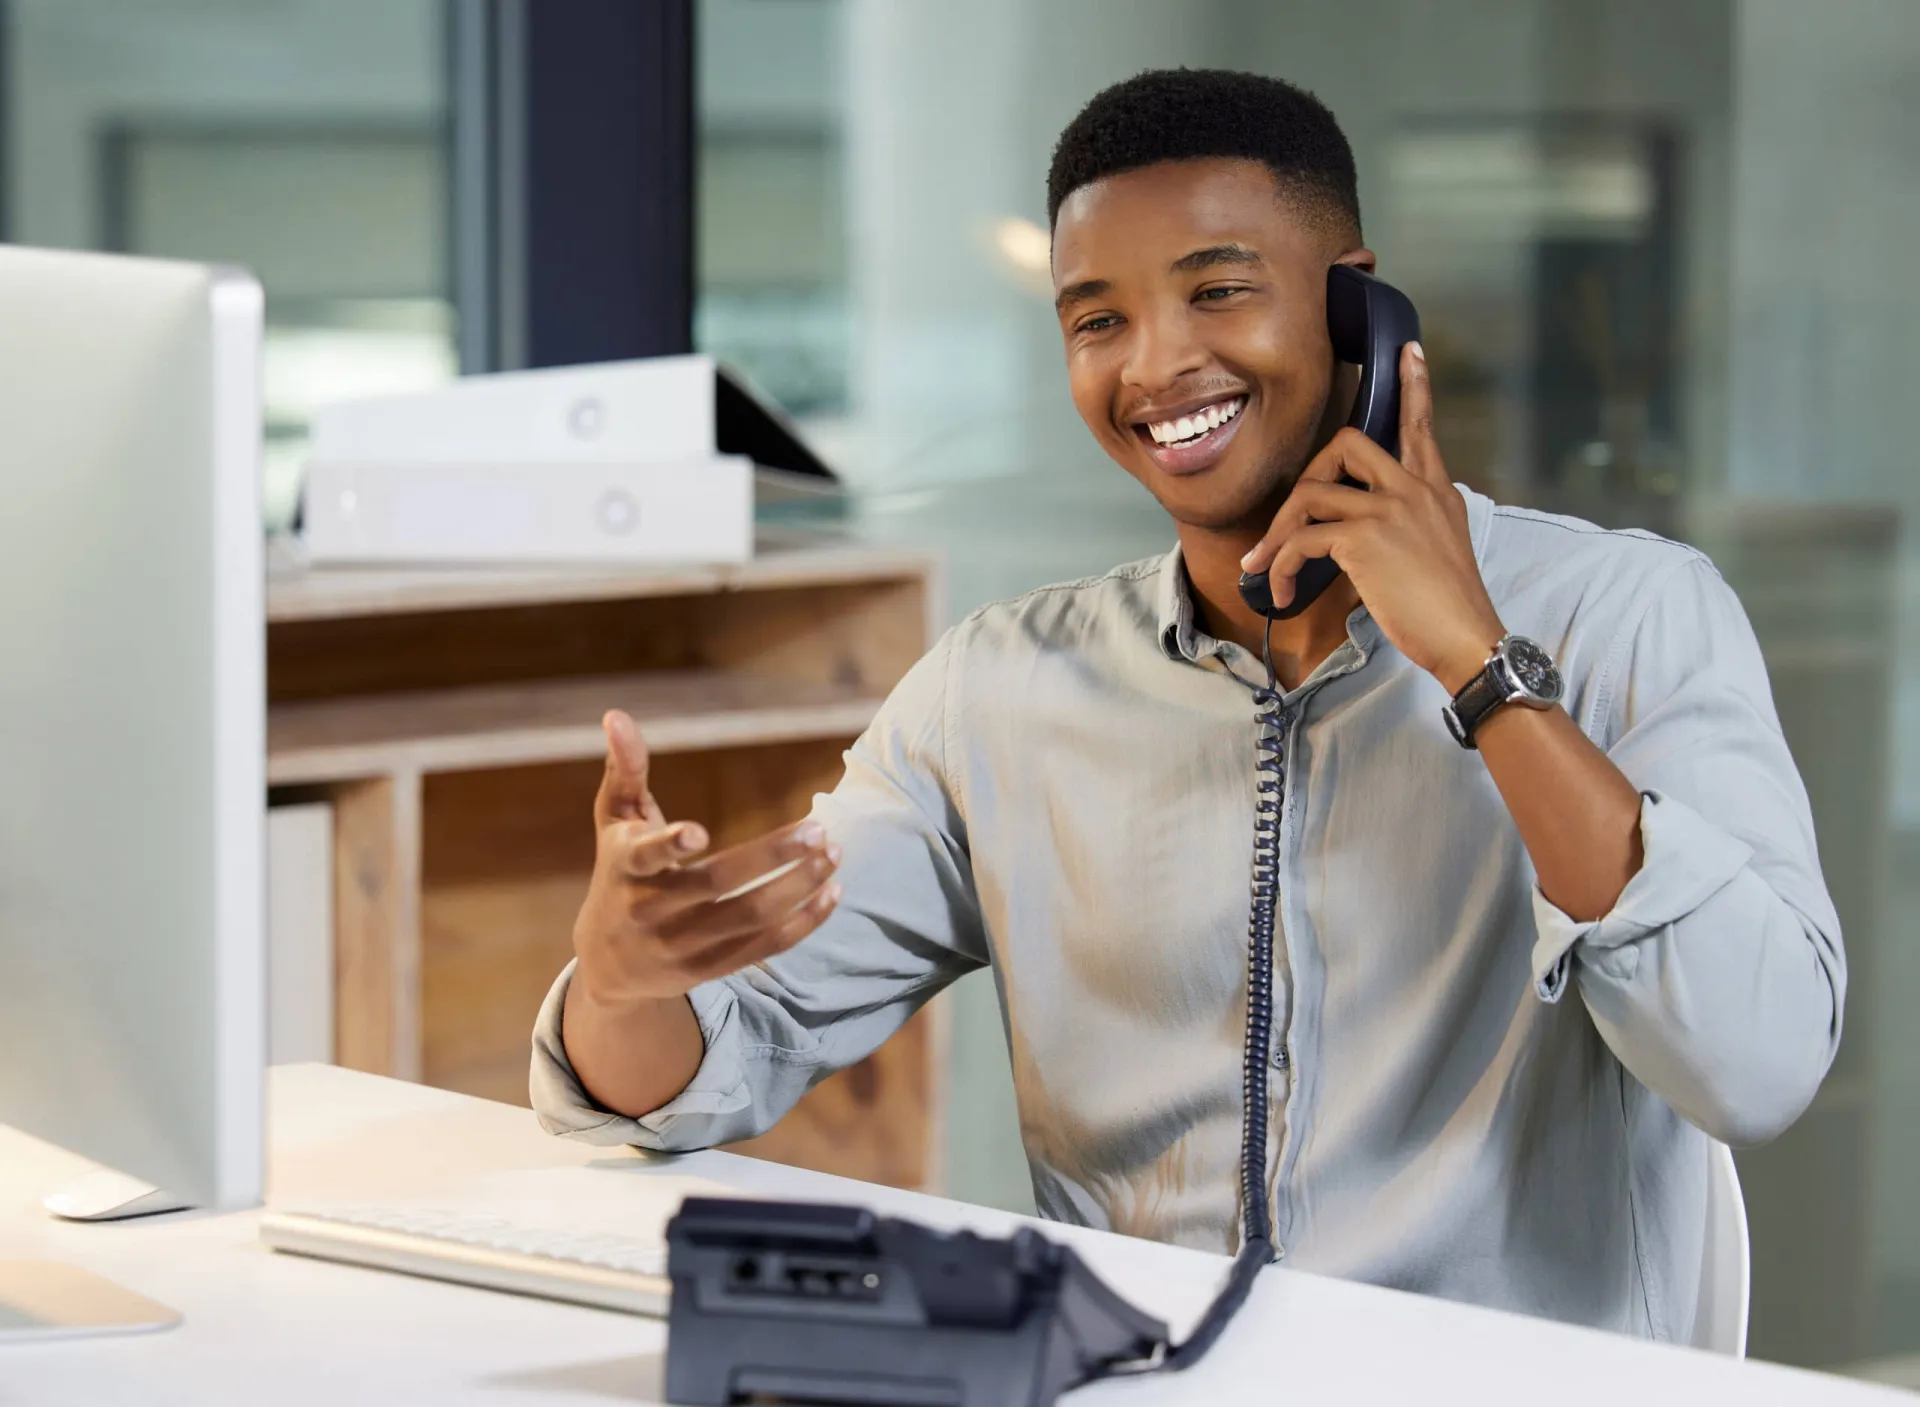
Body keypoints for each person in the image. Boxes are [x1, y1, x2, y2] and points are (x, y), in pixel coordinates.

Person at [531, 69, 1844, 1341]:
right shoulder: (998, 690)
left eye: (1217, 289)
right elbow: (694, 1068)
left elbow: (1758, 1059)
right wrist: (630, 979)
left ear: (1361, 314)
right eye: (1096, 319)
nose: (1154, 363)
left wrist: (1479, 666)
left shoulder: (1632, 616)